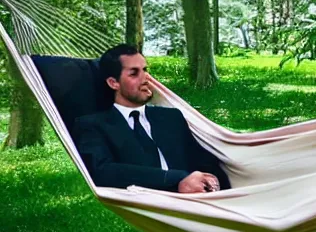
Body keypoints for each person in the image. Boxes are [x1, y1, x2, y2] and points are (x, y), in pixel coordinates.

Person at [73, 44, 230, 193]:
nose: (146, 78)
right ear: (114, 83)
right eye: (134, 73)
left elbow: (203, 160)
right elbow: (103, 171)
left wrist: (210, 180)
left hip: (199, 199)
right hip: (148, 202)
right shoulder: (93, 125)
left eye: (145, 70)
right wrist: (178, 180)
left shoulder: (171, 117)